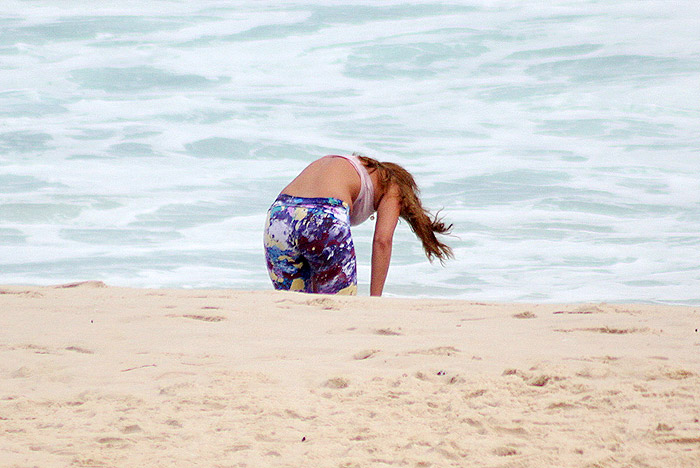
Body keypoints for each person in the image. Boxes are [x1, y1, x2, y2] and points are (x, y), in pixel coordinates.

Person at [263, 153, 453, 296]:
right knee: (339, 307)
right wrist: (374, 299)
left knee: (294, 306)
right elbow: (382, 240)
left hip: (279, 216)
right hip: (323, 216)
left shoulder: (347, 164)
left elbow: (301, 215)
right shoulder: (392, 183)